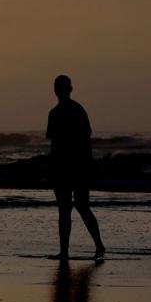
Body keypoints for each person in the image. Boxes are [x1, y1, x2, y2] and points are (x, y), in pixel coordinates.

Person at [46, 74, 105, 260]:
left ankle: (75, 250)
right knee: (77, 208)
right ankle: (91, 247)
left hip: (71, 167)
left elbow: (56, 145)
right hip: (73, 167)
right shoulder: (72, 110)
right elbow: (84, 141)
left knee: (71, 209)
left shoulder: (60, 112)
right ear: (69, 89)